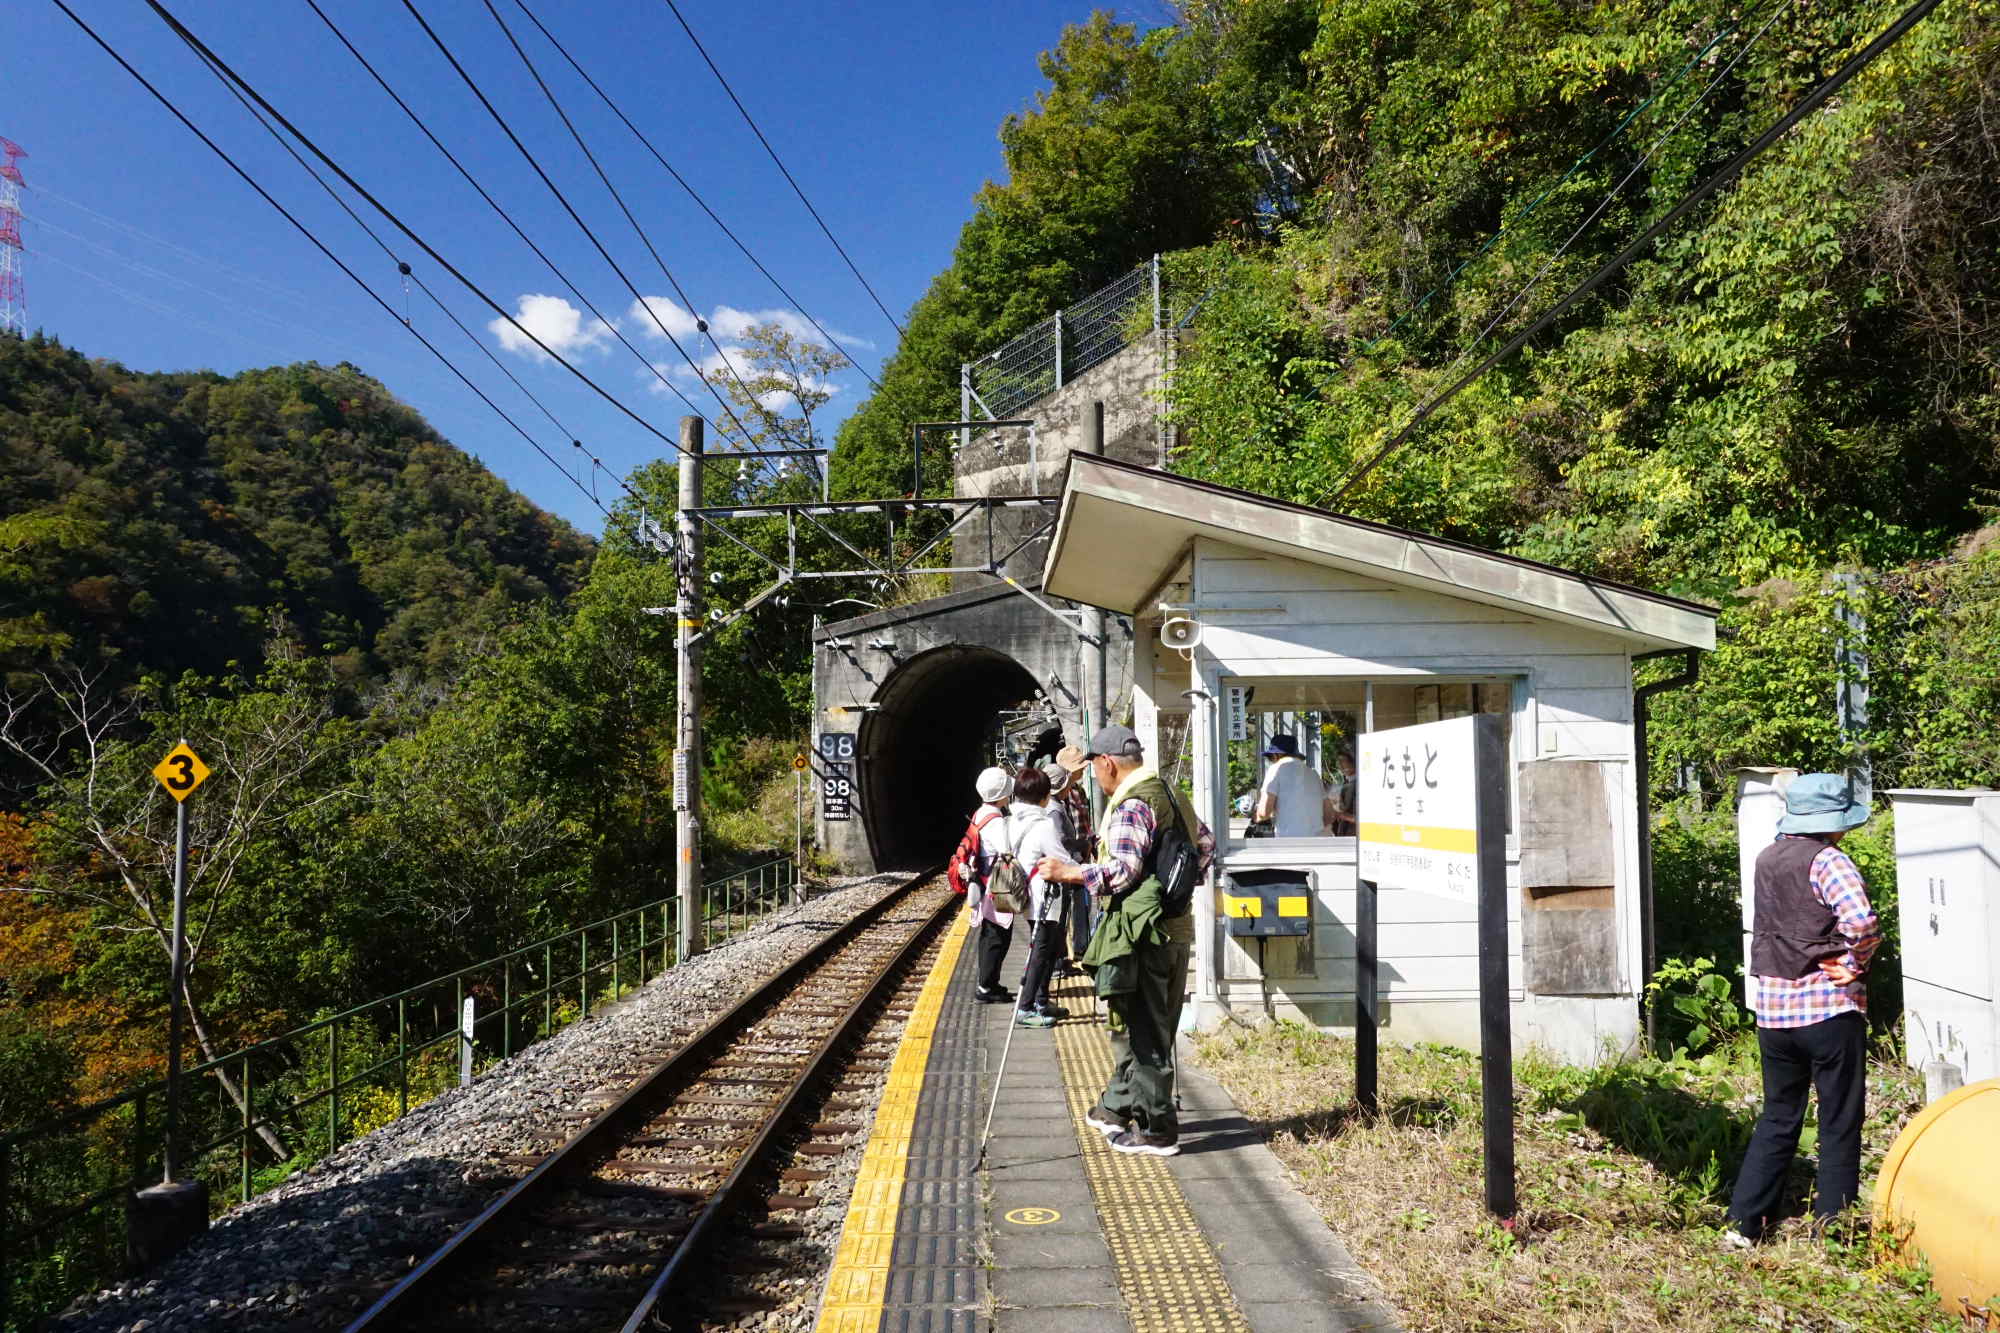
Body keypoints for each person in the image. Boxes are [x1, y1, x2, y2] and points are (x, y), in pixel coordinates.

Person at [1037, 724, 1214, 1157]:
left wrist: (1069, 873)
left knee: (1144, 1030)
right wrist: (1174, 891)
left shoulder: (1133, 804)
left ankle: (1157, 1130)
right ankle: (1116, 1107)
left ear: (1107, 763)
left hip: (1143, 933)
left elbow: (1122, 871)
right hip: (1174, 927)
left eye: (1094, 767)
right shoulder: (1171, 793)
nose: (1094, 776)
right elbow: (1207, 846)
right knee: (1147, 1021)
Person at [1724, 773, 1883, 1248]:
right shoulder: (1829, 861)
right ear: (1833, 822)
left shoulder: (1768, 857)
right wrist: (1854, 965)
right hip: (1828, 1009)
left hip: (1774, 1011)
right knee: (1839, 1120)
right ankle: (1833, 1232)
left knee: (1778, 1117)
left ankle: (1744, 1225)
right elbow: (1861, 922)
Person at [1007, 766, 1075, 1026]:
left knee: (1048, 947)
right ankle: (1025, 1008)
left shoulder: (1011, 820)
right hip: (1044, 898)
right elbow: (1061, 858)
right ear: (1045, 796)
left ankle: (1041, 1001)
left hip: (1023, 893)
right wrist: (1086, 869)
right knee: (1041, 950)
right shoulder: (1044, 824)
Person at [966, 765, 1017, 1004]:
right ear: (1002, 794)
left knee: (991, 933)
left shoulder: (980, 813)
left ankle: (989, 983)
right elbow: (1007, 851)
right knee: (997, 935)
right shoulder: (996, 821)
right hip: (996, 882)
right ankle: (986, 987)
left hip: (984, 879)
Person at [1052, 746, 1096, 969]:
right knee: (1064, 909)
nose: (1083, 770)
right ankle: (1062, 956)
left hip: (1081, 856)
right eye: (1080, 767)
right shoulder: (1061, 795)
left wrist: (1090, 843)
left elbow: (1084, 823)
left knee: (1081, 905)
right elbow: (1063, 833)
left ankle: (1081, 948)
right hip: (1069, 858)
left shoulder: (1078, 790)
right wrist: (1079, 848)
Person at [1253, 734, 1325, 837]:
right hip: (1318, 841)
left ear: (1276, 755)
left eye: (1270, 757)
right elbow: (1330, 815)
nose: (1271, 761)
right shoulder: (1313, 774)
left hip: (1289, 841)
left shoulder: (1275, 770)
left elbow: (1264, 812)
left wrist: (1256, 816)